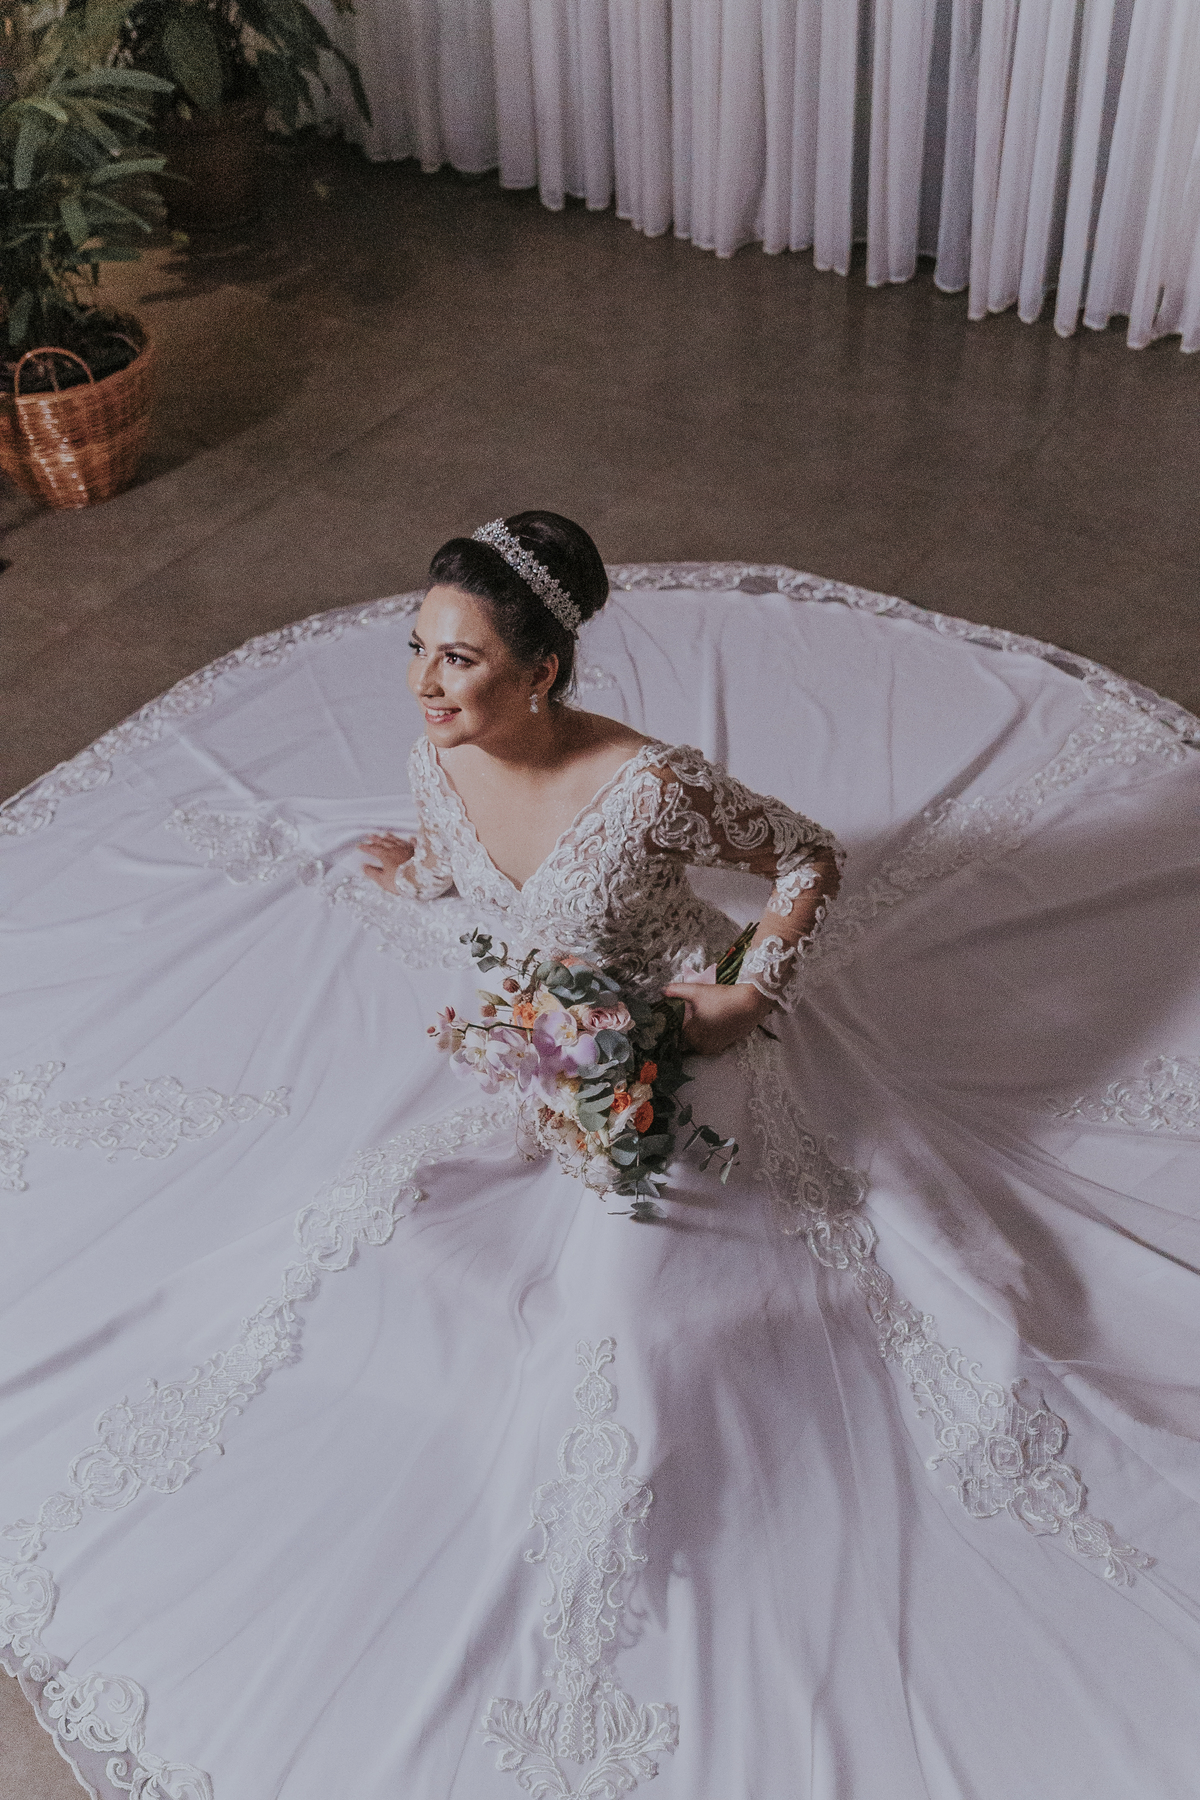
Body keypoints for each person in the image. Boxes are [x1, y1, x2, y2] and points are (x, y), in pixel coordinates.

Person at [2, 512, 1198, 1800]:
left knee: (632, 1317)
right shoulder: (436, 751)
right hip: (537, 1033)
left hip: (674, 1037)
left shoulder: (652, 787)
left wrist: (747, 990)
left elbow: (809, 856)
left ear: (543, 672)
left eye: (459, 660)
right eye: (417, 648)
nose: (423, 684)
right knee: (365, 1209)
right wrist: (425, 869)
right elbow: (465, 851)